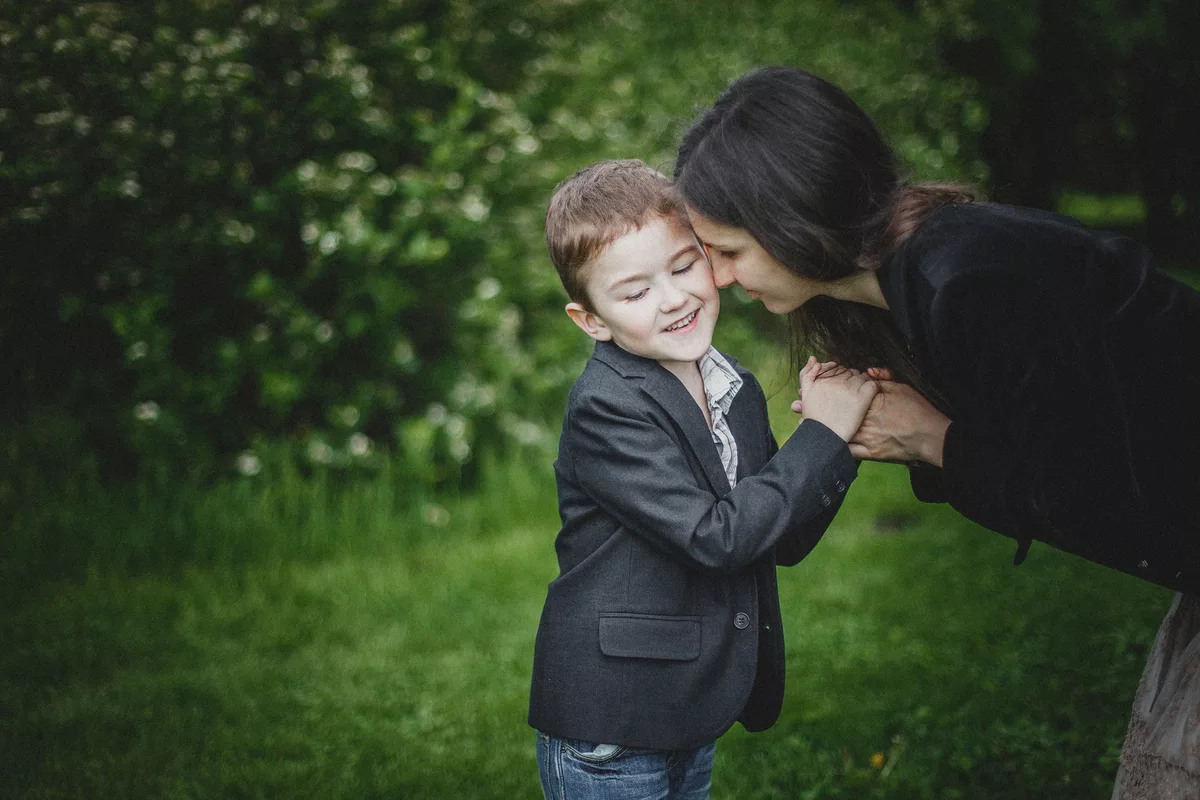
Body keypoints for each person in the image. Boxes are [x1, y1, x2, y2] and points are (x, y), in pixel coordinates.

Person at [673, 65, 1200, 797]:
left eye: (728, 252)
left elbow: (1105, 509)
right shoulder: (922, 279)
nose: (719, 279)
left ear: (791, 217)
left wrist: (933, 441)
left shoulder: (972, 283)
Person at [528, 159, 876, 799]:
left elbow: (781, 534)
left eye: (684, 267)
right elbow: (717, 538)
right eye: (634, 293)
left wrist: (842, 442)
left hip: (687, 705)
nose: (673, 298)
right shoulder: (608, 406)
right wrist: (821, 436)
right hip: (615, 720)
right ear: (592, 321)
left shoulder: (733, 385)